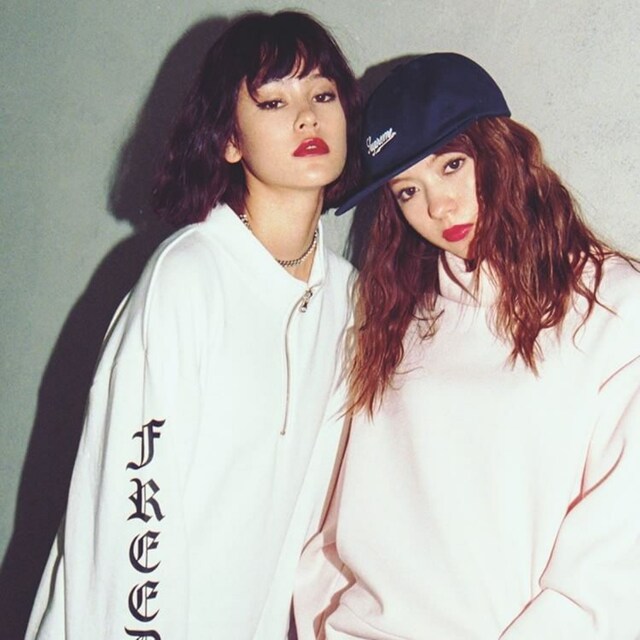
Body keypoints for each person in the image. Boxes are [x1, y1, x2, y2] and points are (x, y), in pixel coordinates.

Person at [26, 11, 361, 639]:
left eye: (323, 95)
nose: (307, 117)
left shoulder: (344, 299)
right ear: (230, 140)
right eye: (273, 101)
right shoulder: (188, 277)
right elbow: (129, 514)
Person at [294, 53, 640, 639]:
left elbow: (617, 563)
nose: (438, 207)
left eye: (452, 165)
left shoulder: (613, 309)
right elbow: (335, 534)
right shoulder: (394, 323)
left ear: (504, 149)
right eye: (408, 191)